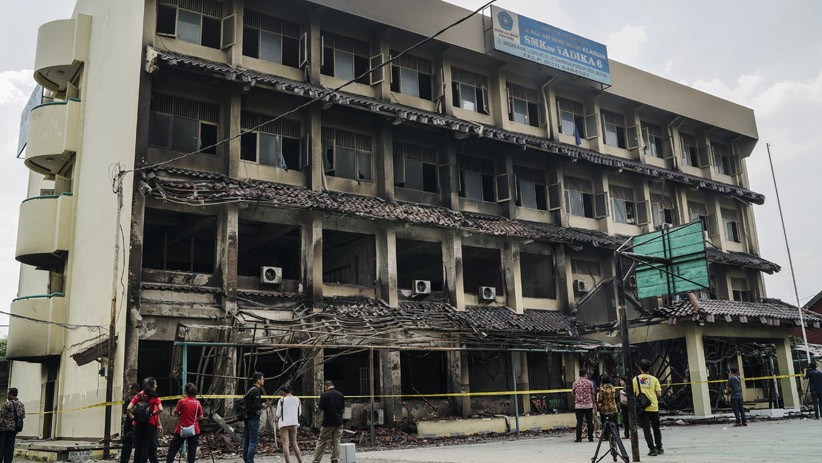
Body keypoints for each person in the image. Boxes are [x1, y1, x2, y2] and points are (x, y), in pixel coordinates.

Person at [127, 377, 163, 463]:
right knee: (146, 447)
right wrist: (152, 413)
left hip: (138, 424)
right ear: (152, 386)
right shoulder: (154, 396)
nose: (156, 386)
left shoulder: (138, 395)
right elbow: (160, 409)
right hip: (150, 424)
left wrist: (135, 414)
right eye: (155, 384)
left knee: (138, 446)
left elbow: (129, 408)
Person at [167, 383, 204, 463]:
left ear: (186, 392)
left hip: (181, 429)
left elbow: (175, 412)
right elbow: (201, 417)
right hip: (194, 430)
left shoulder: (182, 401)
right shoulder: (198, 403)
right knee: (192, 452)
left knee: (173, 449)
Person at [634, 359, 663, 456]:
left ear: (640, 368)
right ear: (650, 368)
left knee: (646, 429)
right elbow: (659, 393)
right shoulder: (654, 379)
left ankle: (652, 449)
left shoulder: (635, 379)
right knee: (656, 428)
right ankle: (659, 447)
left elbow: (633, 393)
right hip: (653, 406)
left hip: (642, 408)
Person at [312, 380, 345, 463]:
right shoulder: (340, 395)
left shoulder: (324, 395)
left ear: (325, 387)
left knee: (322, 441)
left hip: (328, 422)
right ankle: (335, 459)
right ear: (332, 386)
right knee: (336, 441)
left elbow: (320, 409)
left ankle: (316, 460)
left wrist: (315, 411)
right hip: (338, 422)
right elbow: (342, 409)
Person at [276, 385, 304, 463]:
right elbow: (299, 413)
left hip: (284, 424)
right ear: (291, 391)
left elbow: (278, 414)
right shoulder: (297, 399)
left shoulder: (281, 400)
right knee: (294, 443)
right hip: (294, 423)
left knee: (285, 444)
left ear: (283, 392)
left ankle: (288, 462)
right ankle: (301, 461)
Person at [242, 372, 265, 463]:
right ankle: (250, 460)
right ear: (258, 380)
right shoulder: (256, 390)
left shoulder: (250, 390)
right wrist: (262, 405)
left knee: (247, 440)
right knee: (253, 442)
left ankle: (246, 460)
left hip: (247, 418)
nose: (263, 381)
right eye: (262, 379)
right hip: (253, 418)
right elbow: (256, 406)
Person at [0, 387, 25, 463]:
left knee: (1, 446)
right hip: (14, 429)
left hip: (4, 429)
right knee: (10, 447)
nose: (7, 395)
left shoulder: (7, 404)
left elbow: (1, 416)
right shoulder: (21, 405)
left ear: (11, 394)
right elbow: (22, 416)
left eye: (8, 394)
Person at [571, 369, 596, 443]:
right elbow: (593, 393)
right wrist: (593, 403)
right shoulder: (590, 383)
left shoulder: (575, 383)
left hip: (578, 405)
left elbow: (573, 393)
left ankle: (578, 438)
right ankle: (590, 437)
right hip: (588, 405)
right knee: (589, 421)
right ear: (586, 374)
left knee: (579, 421)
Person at [121, 383, 141, 463]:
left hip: (130, 426)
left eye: (130, 389)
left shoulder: (129, 399)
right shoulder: (142, 398)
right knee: (139, 446)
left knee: (127, 445)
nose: (129, 391)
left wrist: (133, 419)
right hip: (140, 425)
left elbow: (127, 411)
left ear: (134, 390)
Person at [597, 375, 618, 440]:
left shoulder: (602, 388)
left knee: (605, 422)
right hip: (613, 406)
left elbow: (600, 398)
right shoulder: (612, 387)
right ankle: (616, 435)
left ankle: (606, 436)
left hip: (605, 407)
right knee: (614, 421)